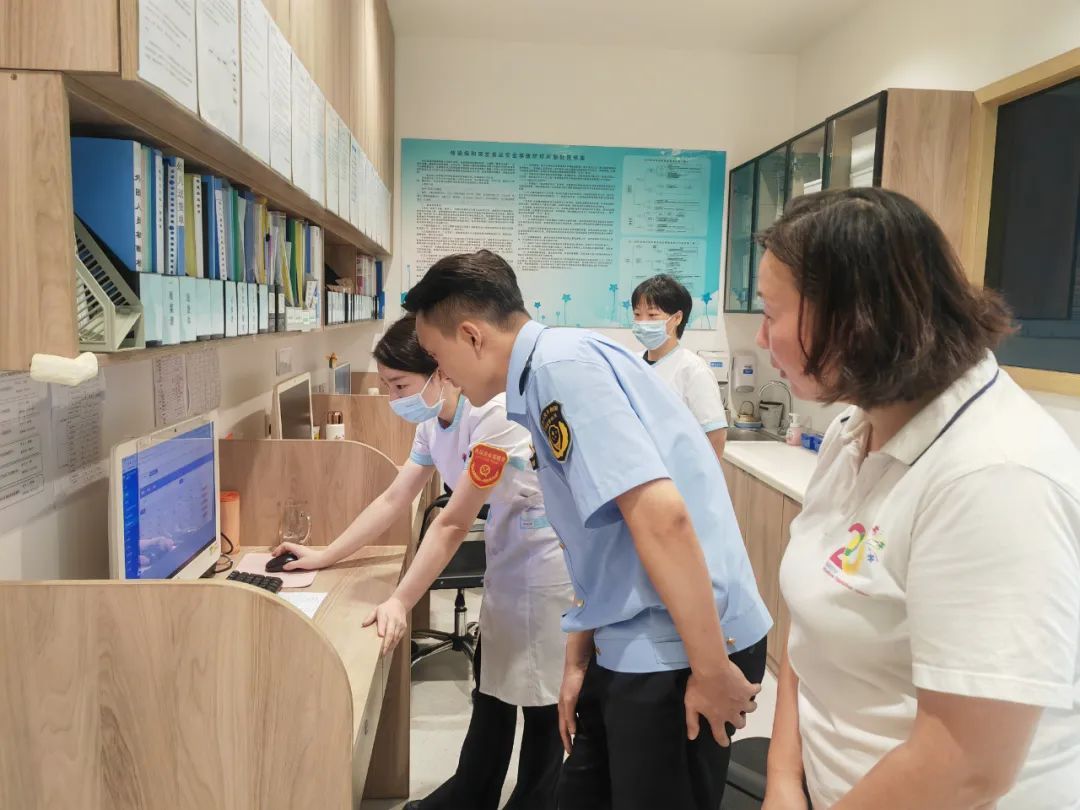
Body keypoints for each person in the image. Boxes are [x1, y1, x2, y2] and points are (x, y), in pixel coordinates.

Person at [403, 250, 771, 810]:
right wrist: (578, 659)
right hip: (630, 631)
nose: (441, 374)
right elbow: (594, 536)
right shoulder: (544, 374)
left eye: (436, 356)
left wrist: (710, 666)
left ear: (472, 336)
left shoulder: (560, 372)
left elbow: (662, 518)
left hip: (682, 643)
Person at [754, 188, 1080, 809]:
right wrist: (782, 778)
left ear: (854, 317)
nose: (763, 337)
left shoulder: (994, 475)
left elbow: (968, 764)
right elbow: (811, 620)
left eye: (773, 313)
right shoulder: (855, 429)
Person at [272, 315, 571, 810]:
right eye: (386, 385)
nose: (392, 398)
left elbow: (452, 523)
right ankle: (470, 796)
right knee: (494, 688)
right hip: (508, 550)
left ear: (440, 372)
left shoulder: (493, 416)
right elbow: (394, 497)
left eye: (399, 385)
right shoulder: (433, 421)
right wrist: (325, 554)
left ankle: (535, 801)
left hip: (546, 560)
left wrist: (400, 601)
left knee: (542, 701)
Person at [631, 274, 728, 459]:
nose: (643, 322)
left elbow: (715, 436)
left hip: (676, 472)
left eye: (652, 315)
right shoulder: (630, 363)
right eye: (637, 314)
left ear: (676, 318)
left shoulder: (692, 369)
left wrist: (700, 475)